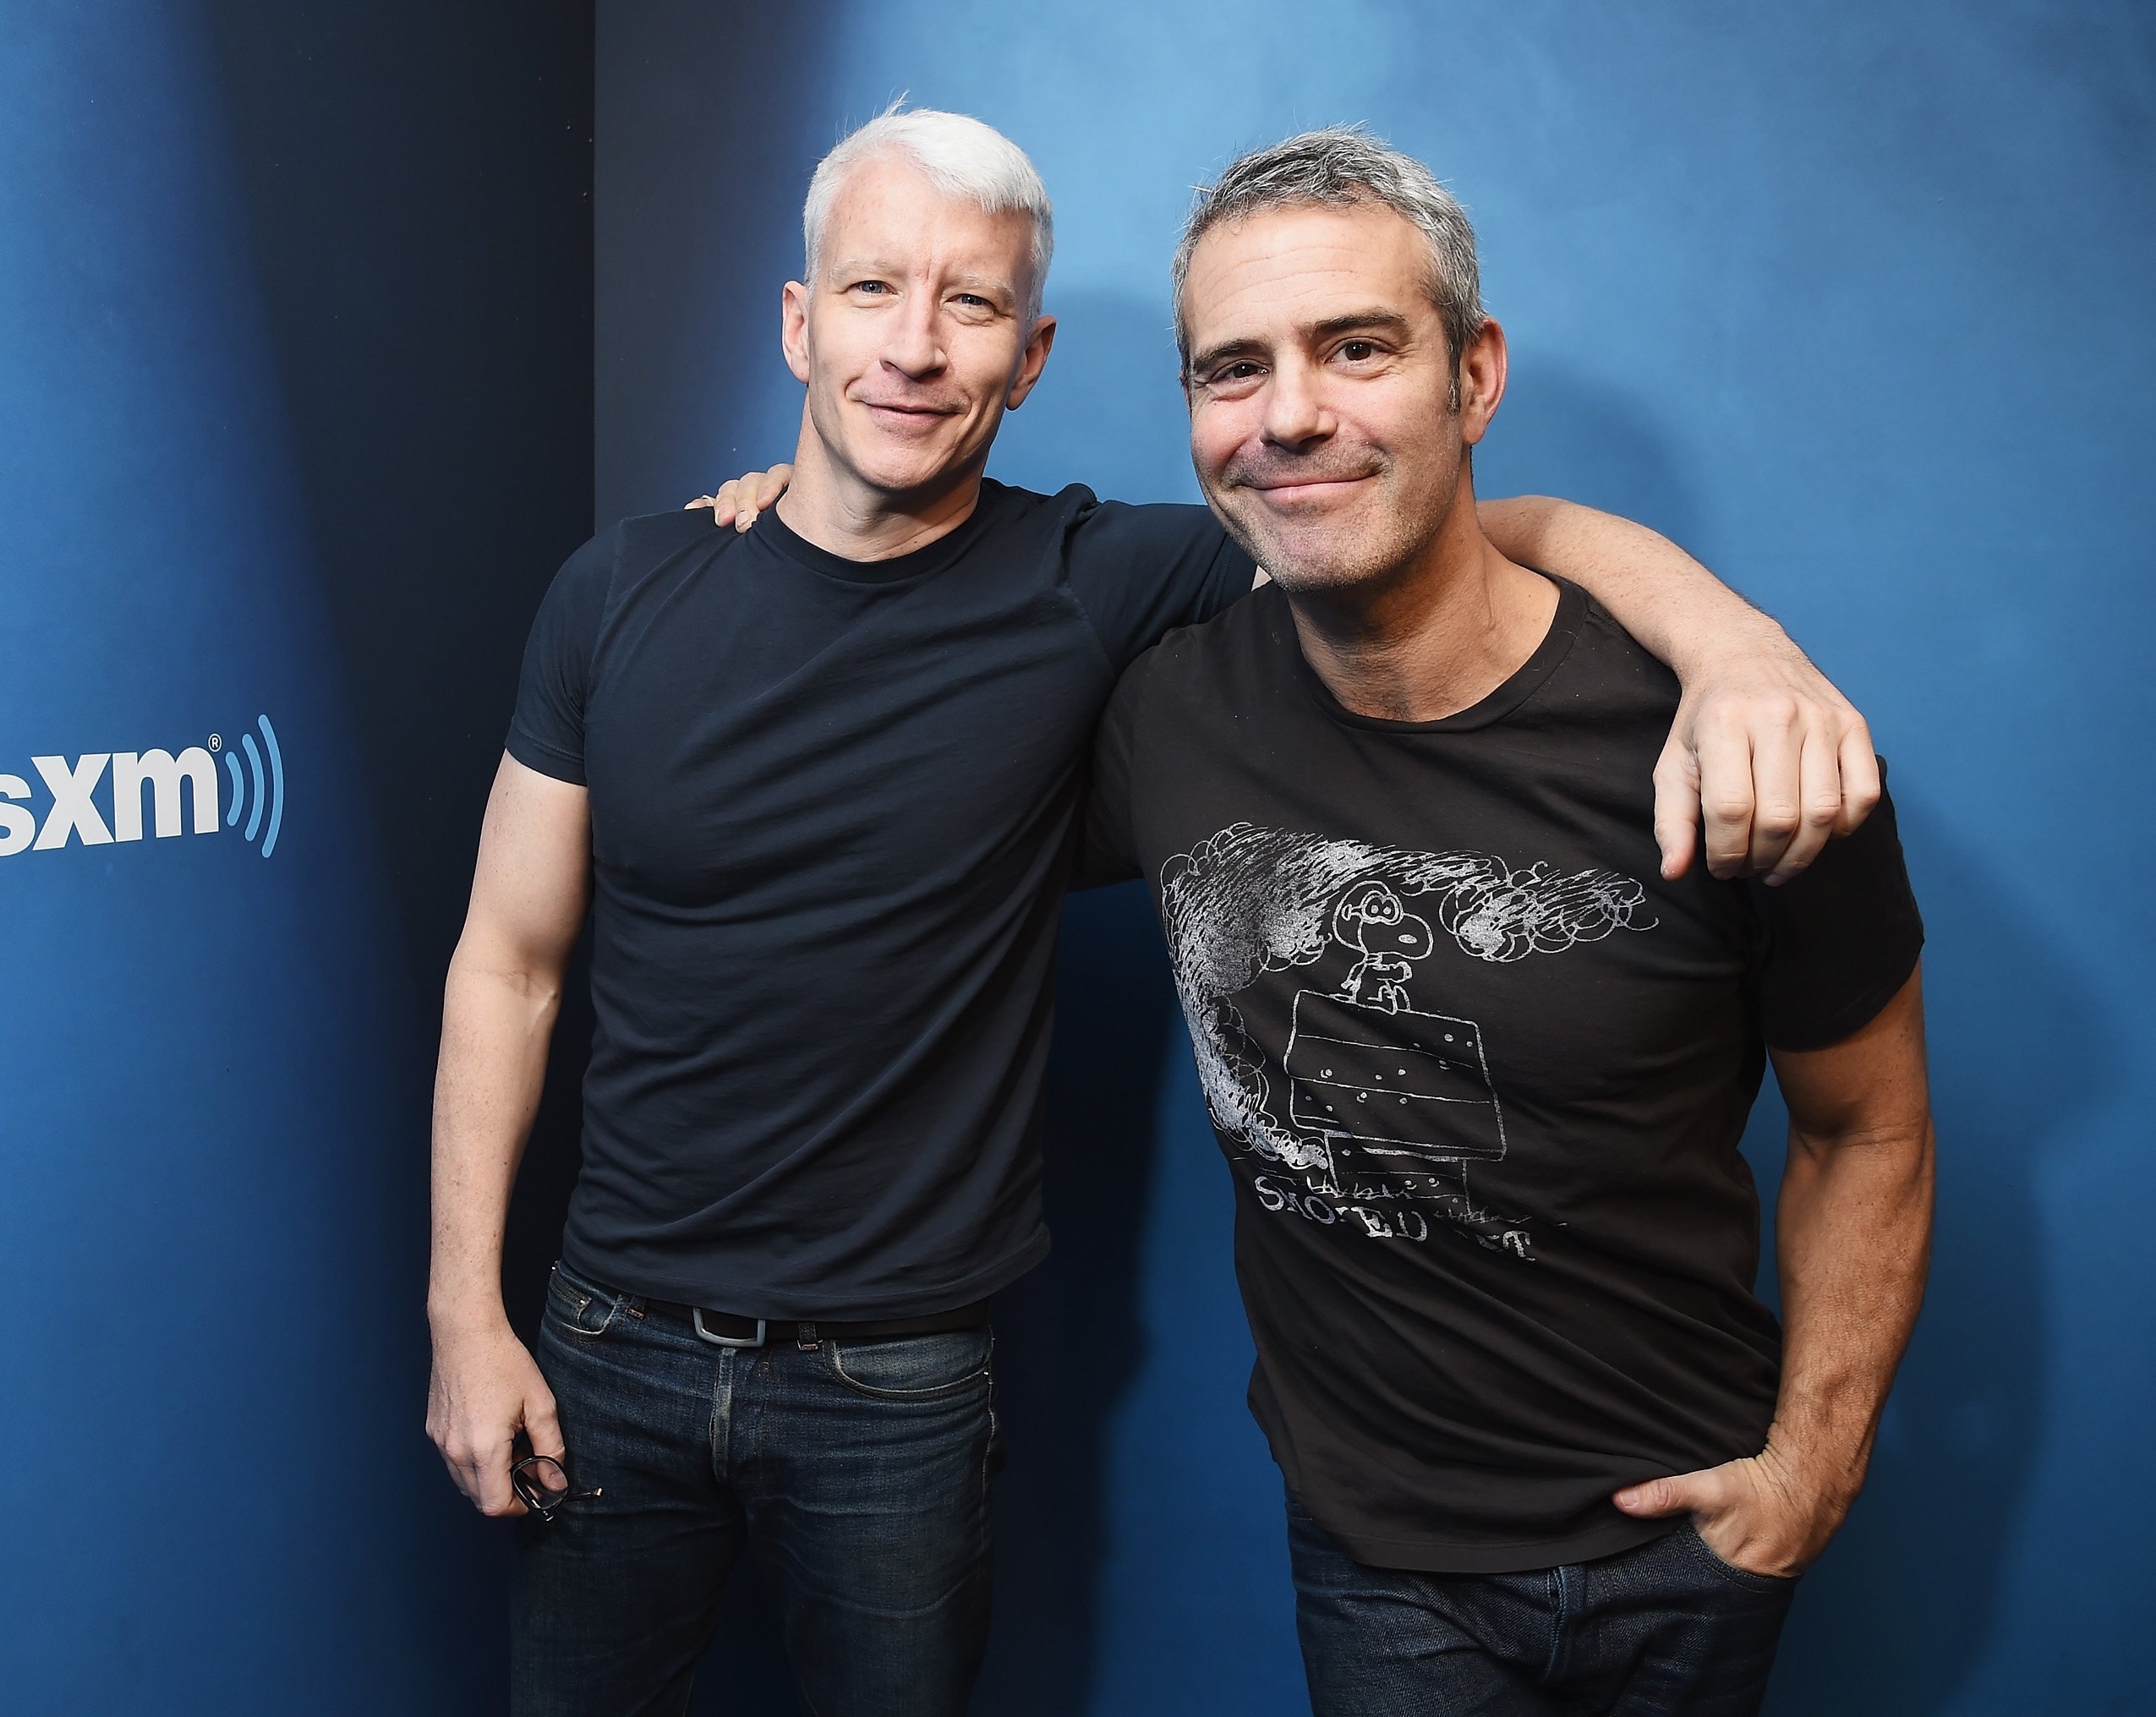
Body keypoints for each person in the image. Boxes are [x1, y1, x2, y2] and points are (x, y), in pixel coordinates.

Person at [427, 107, 1881, 1716]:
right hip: (612, 1335)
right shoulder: (627, 589)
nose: (913, 348)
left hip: (899, 1378)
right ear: (797, 318)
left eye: (969, 306)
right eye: (868, 295)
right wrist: (463, 1314)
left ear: (1032, 355)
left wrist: (1730, 639)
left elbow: (1425, 524)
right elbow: (508, 961)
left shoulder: (1109, 582)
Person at [1077, 127, 1934, 1714]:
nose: (1291, 416)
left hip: (1690, 1542)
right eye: (1232, 368)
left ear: (1475, 378)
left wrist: (1813, 1470)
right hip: (1375, 1561)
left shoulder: (1743, 750)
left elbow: (1867, 1133)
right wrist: (812, 484)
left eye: (1356, 348)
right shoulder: (1160, 718)